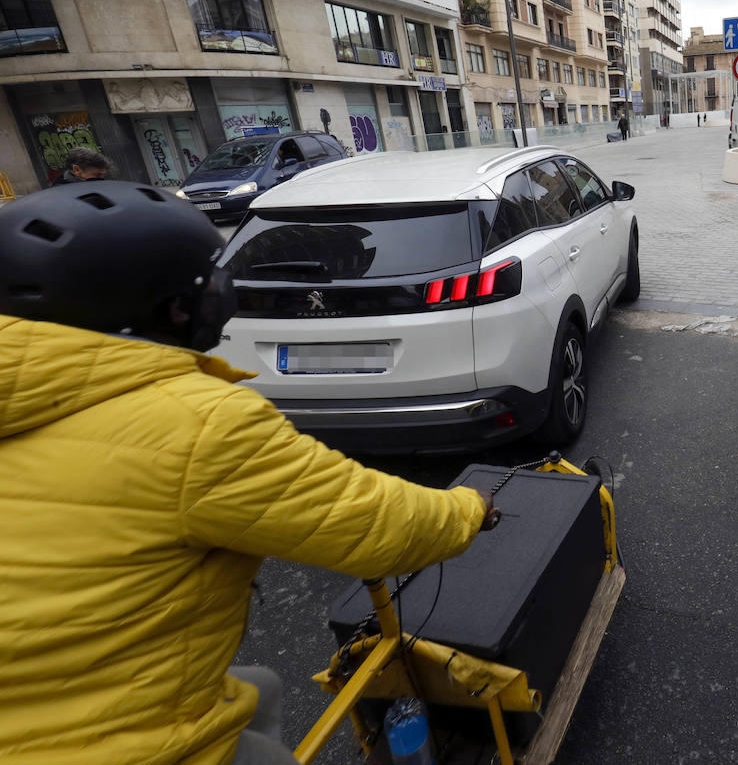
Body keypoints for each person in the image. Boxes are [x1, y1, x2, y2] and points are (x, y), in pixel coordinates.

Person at [0, 182, 501, 765]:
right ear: (176, 307)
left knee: (257, 687)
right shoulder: (196, 423)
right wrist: (468, 507)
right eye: (210, 274)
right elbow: (378, 525)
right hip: (118, 744)